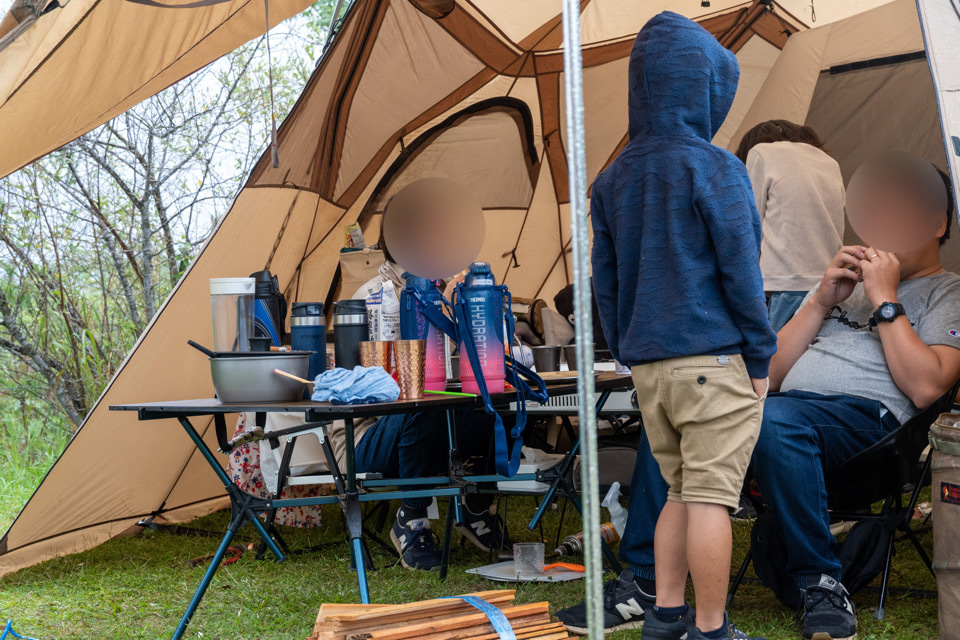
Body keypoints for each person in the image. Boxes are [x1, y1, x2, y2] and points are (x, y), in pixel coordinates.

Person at [584, 12, 778, 640]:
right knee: (712, 499)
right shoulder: (717, 167)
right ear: (703, 88)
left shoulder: (610, 179)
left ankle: (664, 617)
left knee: (674, 491)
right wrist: (759, 356)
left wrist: (624, 348)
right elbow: (741, 274)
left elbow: (603, 283)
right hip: (713, 361)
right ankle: (712, 626)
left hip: (648, 367)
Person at [751, 163, 960, 640]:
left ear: (936, 223)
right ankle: (648, 578)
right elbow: (770, 376)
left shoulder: (949, 291)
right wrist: (821, 301)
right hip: (786, 412)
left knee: (775, 422)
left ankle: (820, 581)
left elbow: (929, 387)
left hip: (872, 431)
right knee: (693, 412)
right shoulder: (839, 284)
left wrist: (886, 299)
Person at [326, 232, 512, 571]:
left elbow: (453, 373)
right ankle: (411, 518)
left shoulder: (439, 297)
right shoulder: (372, 299)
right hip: (364, 436)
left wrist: (464, 316)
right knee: (423, 408)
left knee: (495, 402)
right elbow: (364, 389)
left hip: (420, 424)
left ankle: (476, 508)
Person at [735, 120, 845, 331]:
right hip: (830, 284)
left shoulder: (760, 152)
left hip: (785, 283)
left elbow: (749, 224)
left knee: (776, 360)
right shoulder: (829, 162)